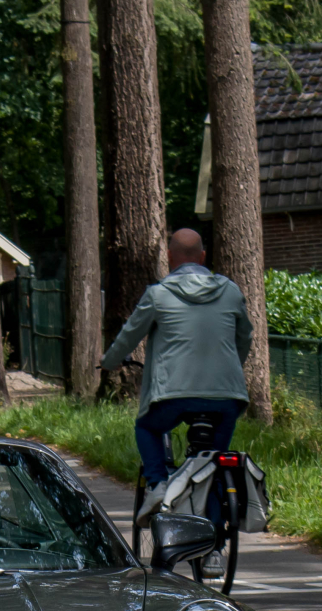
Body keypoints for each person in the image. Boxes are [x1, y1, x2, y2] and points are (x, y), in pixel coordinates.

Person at [99, 229, 253, 558]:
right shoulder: (230, 291)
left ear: (170, 258)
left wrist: (108, 362)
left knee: (148, 426)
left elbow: (129, 336)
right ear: (203, 257)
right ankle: (213, 551)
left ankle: (157, 484)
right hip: (226, 398)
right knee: (211, 465)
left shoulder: (159, 294)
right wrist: (228, 370)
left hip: (173, 396)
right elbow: (245, 338)